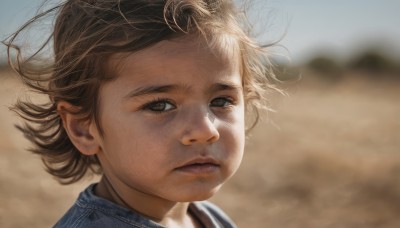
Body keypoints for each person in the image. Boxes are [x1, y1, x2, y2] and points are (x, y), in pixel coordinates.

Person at [3, 0, 279, 227]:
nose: (205, 130)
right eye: (160, 105)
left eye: (221, 100)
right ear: (84, 128)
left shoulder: (205, 217)